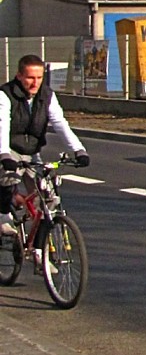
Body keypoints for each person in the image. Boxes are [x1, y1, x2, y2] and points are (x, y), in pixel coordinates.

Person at [0, 54, 89, 235]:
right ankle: (3, 217)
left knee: (47, 196)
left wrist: (79, 150)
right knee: (7, 182)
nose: (35, 83)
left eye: (39, 78)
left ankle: (40, 249)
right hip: (10, 148)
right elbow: (2, 125)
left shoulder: (47, 96)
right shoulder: (5, 95)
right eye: (30, 78)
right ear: (19, 76)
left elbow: (60, 124)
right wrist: (4, 155)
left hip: (32, 151)